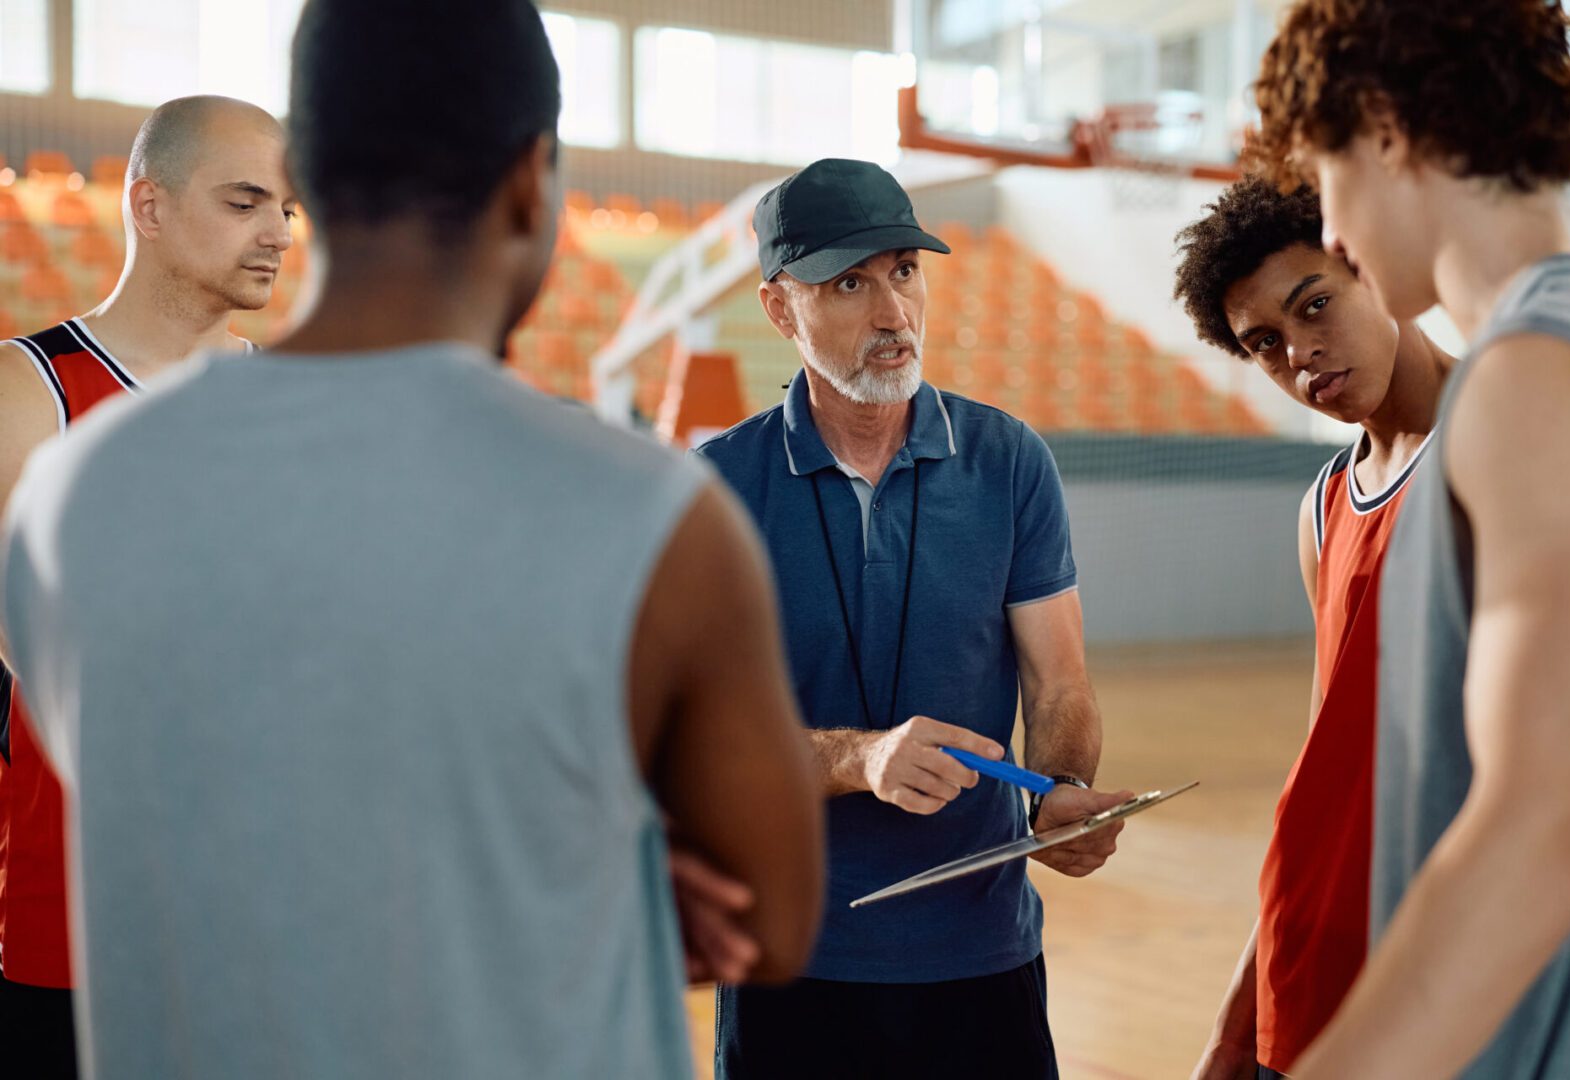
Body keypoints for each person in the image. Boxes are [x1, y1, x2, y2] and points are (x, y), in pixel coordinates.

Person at [0, 2, 823, 1077]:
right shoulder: (653, 513)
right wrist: (575, 862)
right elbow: (774, 914)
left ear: (318, 191)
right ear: (533, 182)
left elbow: (184, 777)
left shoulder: (79, 492)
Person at [694, 157, 1130, 1079]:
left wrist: (1059, 789)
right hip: (792, 963)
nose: (893, 313)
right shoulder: (715, 490)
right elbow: (700, 743)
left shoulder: (1010, 461)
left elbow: (1060, 682)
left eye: (904, 270)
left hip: (982, 957)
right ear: (780, 310)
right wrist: (860, 759)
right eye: (850, 283)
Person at [1247, 1, 1570, 1075]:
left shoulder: (1534, 372)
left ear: (1383, 128)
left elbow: (1547, 826)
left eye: (1323, 172)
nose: (1329, 220)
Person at [0, 93, 294, 1079]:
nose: (277, 233)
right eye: (246, 200)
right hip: (78, 927)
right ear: (149, 204)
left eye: (288, 209)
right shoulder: (28, 391)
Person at [1172, 177, 1452, 1079]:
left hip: (1457, 950)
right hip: (1319, 943)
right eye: (1265, 344)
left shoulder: (1511, 429)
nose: (1302, 355)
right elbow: (1325, 775)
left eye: (1316, 304)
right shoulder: (1325, 507)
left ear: (1374, 271)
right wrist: (1235, 1012)